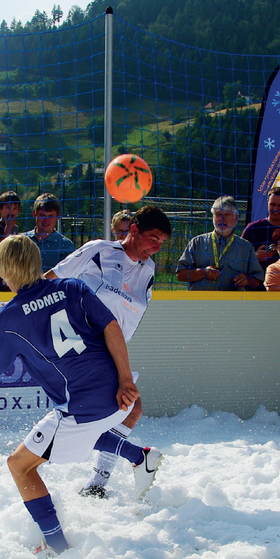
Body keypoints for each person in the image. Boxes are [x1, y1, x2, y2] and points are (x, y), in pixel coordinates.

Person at [0, 235, 163, 558]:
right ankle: (137, 455)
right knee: (78, 434)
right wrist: (124, 379)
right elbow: (112, 327)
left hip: (81, 408)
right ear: (37, 262)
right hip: (118, 399)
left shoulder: (7, 318)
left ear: (4, 274)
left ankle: (57, 548)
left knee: (19, 465)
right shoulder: (72, 288)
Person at [46, 204, 172, 498]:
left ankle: (98, 482)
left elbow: (130, 318)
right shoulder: (100, 250)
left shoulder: (148, 270)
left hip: (110, 350)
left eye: (162, 242)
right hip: (78, 344)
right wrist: (18, 302)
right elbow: (54, 276)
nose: (156, 247)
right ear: (134, 231)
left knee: (129, 409)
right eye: (152, 238)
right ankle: (136, 459)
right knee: (94, 417)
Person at [176, 196, 264, 291]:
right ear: (213, 218)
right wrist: (202, 272)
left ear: (236, 218)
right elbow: (180, 275)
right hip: (200, 303)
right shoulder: (197, 242)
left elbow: (257, 280)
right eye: (218, 214)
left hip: (231, 303)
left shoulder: (246, 247)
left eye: (227, 215)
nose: (222, 219)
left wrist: (247, 280)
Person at [241, 186, 280, 273]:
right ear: (267, 203)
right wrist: (255, 257)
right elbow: (237, 258)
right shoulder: (253, 228)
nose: (276, 209)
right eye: (272, 204)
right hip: (254, 283)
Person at [25, 193, 75, 272]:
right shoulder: (22, 241)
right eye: (42, 215)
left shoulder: (66, 246)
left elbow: (67, 276)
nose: (46, 220)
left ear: (58, 216)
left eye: (51, 216)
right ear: (34, 214)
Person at [0, 190, 21, 291]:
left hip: (11, 266)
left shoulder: (15, 227)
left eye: (15, 208)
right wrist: (8, 227)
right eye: (8, 207)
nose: (11, 211)